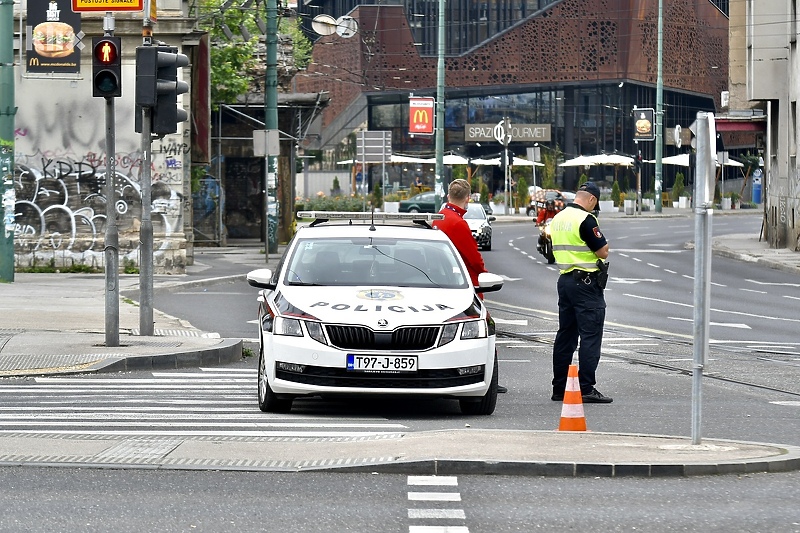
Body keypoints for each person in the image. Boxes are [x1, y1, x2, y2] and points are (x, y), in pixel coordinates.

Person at [434, 179, 507, 394]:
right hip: (466, 284)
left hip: (441, 280)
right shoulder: (457, 222)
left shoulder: (439, 218)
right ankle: (486, 377)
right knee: (481, 329)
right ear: (468, 198)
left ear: (448, 195)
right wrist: (484, 274)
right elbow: (473, 257)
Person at [549, 181, 612, 404]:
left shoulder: (558, 218)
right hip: (586, 284)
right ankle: (585, 387)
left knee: (566, 335)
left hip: (565, 280)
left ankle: (560, 387)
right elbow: (602, 251)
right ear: (592, 199)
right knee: (590, 335)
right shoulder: (586, 219)